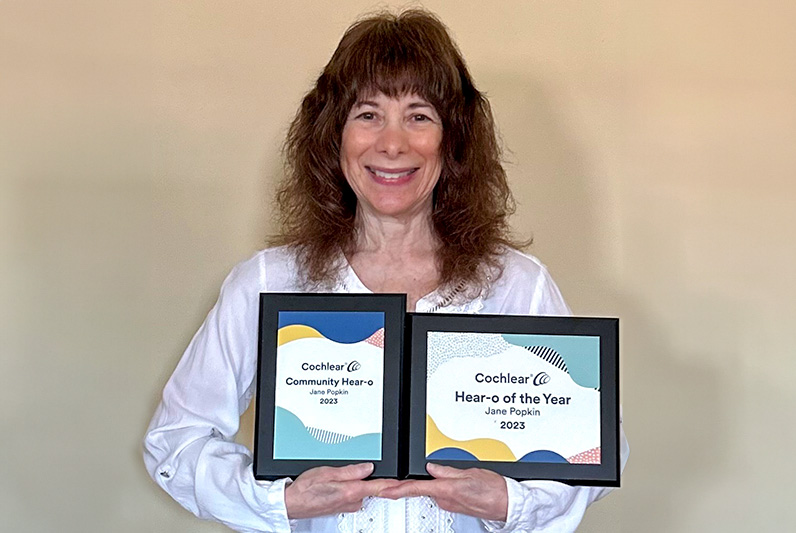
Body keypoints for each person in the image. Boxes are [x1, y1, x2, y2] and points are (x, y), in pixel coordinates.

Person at [143, 9, 629, 533]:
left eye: (419, 116)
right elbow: (175, 442)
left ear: (453, 139)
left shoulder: (517, 284)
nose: (392, 144)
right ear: (334, 136)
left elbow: (595, 449)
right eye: (368, 114)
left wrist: (513, 503)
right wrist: (280, 502)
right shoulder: (266, 282)